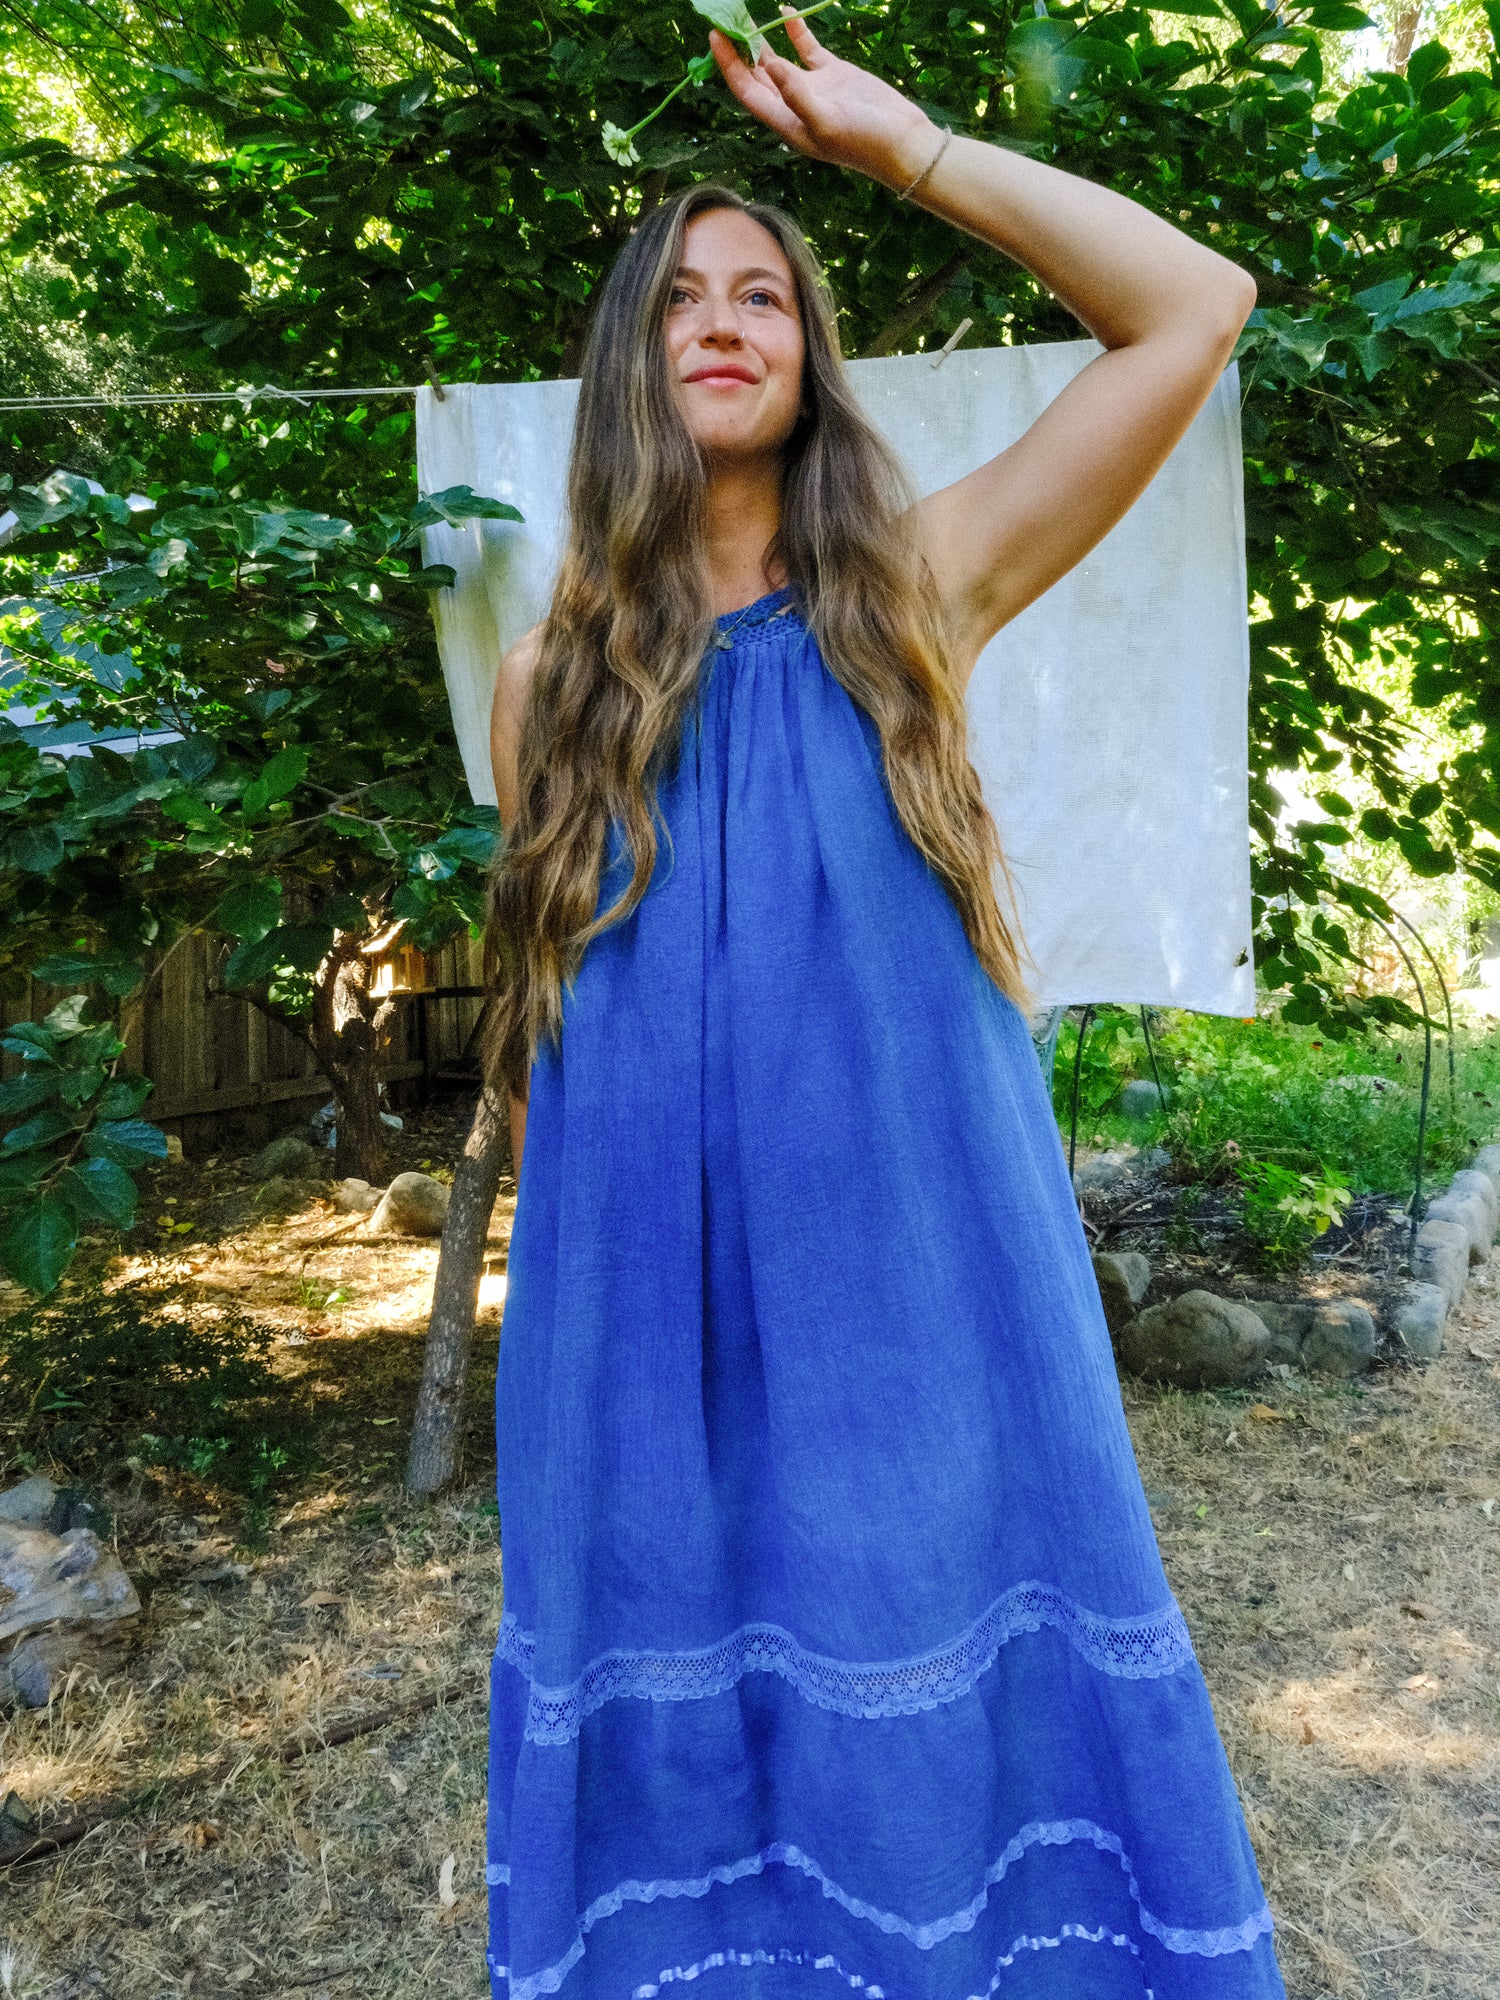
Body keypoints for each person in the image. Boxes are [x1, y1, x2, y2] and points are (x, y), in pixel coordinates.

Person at [482, 13, 1282, 1999]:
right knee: (686, 1686)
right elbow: (586, 1029)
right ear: (627, 359)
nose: (724, 320)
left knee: (919, 1657)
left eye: (764, 293)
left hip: (912, 1275)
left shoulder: (907, 593)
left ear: (812, 360)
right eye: (683, 296)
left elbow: (1192, 311)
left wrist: (905, 149)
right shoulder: (544, 687)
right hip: (644, 1302)